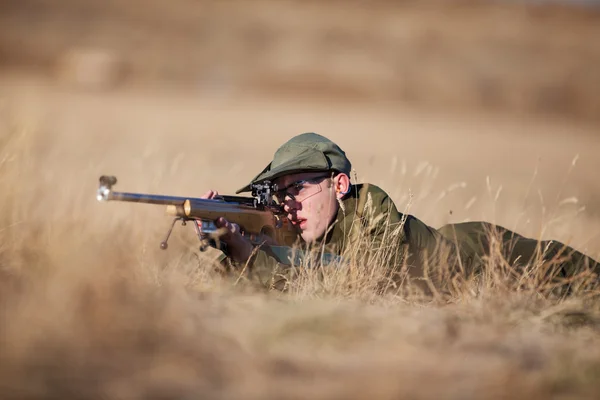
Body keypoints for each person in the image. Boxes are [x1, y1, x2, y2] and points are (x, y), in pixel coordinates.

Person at [201, 132, 600, 295]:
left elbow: (346, 285)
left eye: (299, 188)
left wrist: (254, 256)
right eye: (280, 193)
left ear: (339, 186)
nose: (288, 202)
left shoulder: (373, 213)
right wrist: (233, 245)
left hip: (495, 255)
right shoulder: (294, 226)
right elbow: (237, 294)